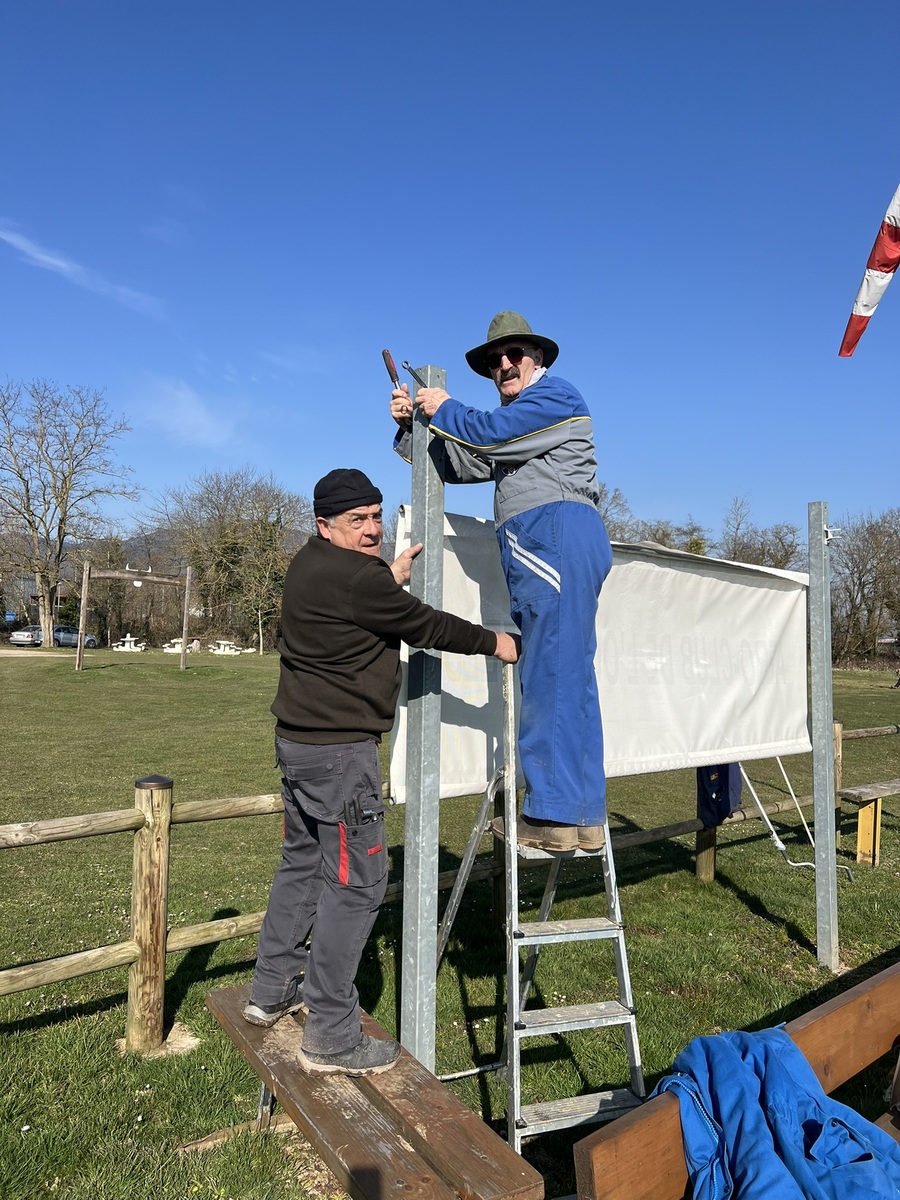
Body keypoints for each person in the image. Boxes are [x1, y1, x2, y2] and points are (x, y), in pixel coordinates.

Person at [243, 467, 519, 1076]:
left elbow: (359, 606)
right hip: (340, 757)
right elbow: (426, 625)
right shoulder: (356, 578)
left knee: (302, 866)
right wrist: (497, 643)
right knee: (359, 885)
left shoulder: (309, 564)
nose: (371, 530)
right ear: (325, 525)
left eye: (375, 516)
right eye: (356, 521)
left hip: (298, 746)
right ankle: (330, 1035)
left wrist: (385, 578)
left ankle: (269, 991)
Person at [390, 311, 611, 853]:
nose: (504, 365)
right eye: (494, 360)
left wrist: (442, 404)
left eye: (514, 354)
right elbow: (458, 463)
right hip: (553, 541)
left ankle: (552, 814)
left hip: (552, 537)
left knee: (548, 675)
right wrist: (412, 425)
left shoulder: (554, 396)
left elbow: (484, 435)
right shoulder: (519, 429)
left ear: (538, 358)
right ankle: (583, 816)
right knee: (568, 675)